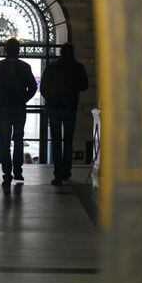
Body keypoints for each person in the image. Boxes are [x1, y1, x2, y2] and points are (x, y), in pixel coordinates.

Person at [0, 38, 37, 188]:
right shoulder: (25, 67)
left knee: (4, 140)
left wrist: (0, 100)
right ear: (18, 50)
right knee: (18, 139)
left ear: (5, 50)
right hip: (19, 108)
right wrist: (23, 99)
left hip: (3, 108)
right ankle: (18, 171)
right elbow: (33, 87)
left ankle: (6, 173)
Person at [40, 42, 88, 186]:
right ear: (72, 53)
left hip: (54, 108)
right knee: (68, 141)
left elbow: (43, 87)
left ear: (61, 52)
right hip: (70, 108)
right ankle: (66, 171)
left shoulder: (52, 67)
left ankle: (58, 175)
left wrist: (51, 98)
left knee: (56, 142)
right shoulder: (78, 68)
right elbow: (84, 86)